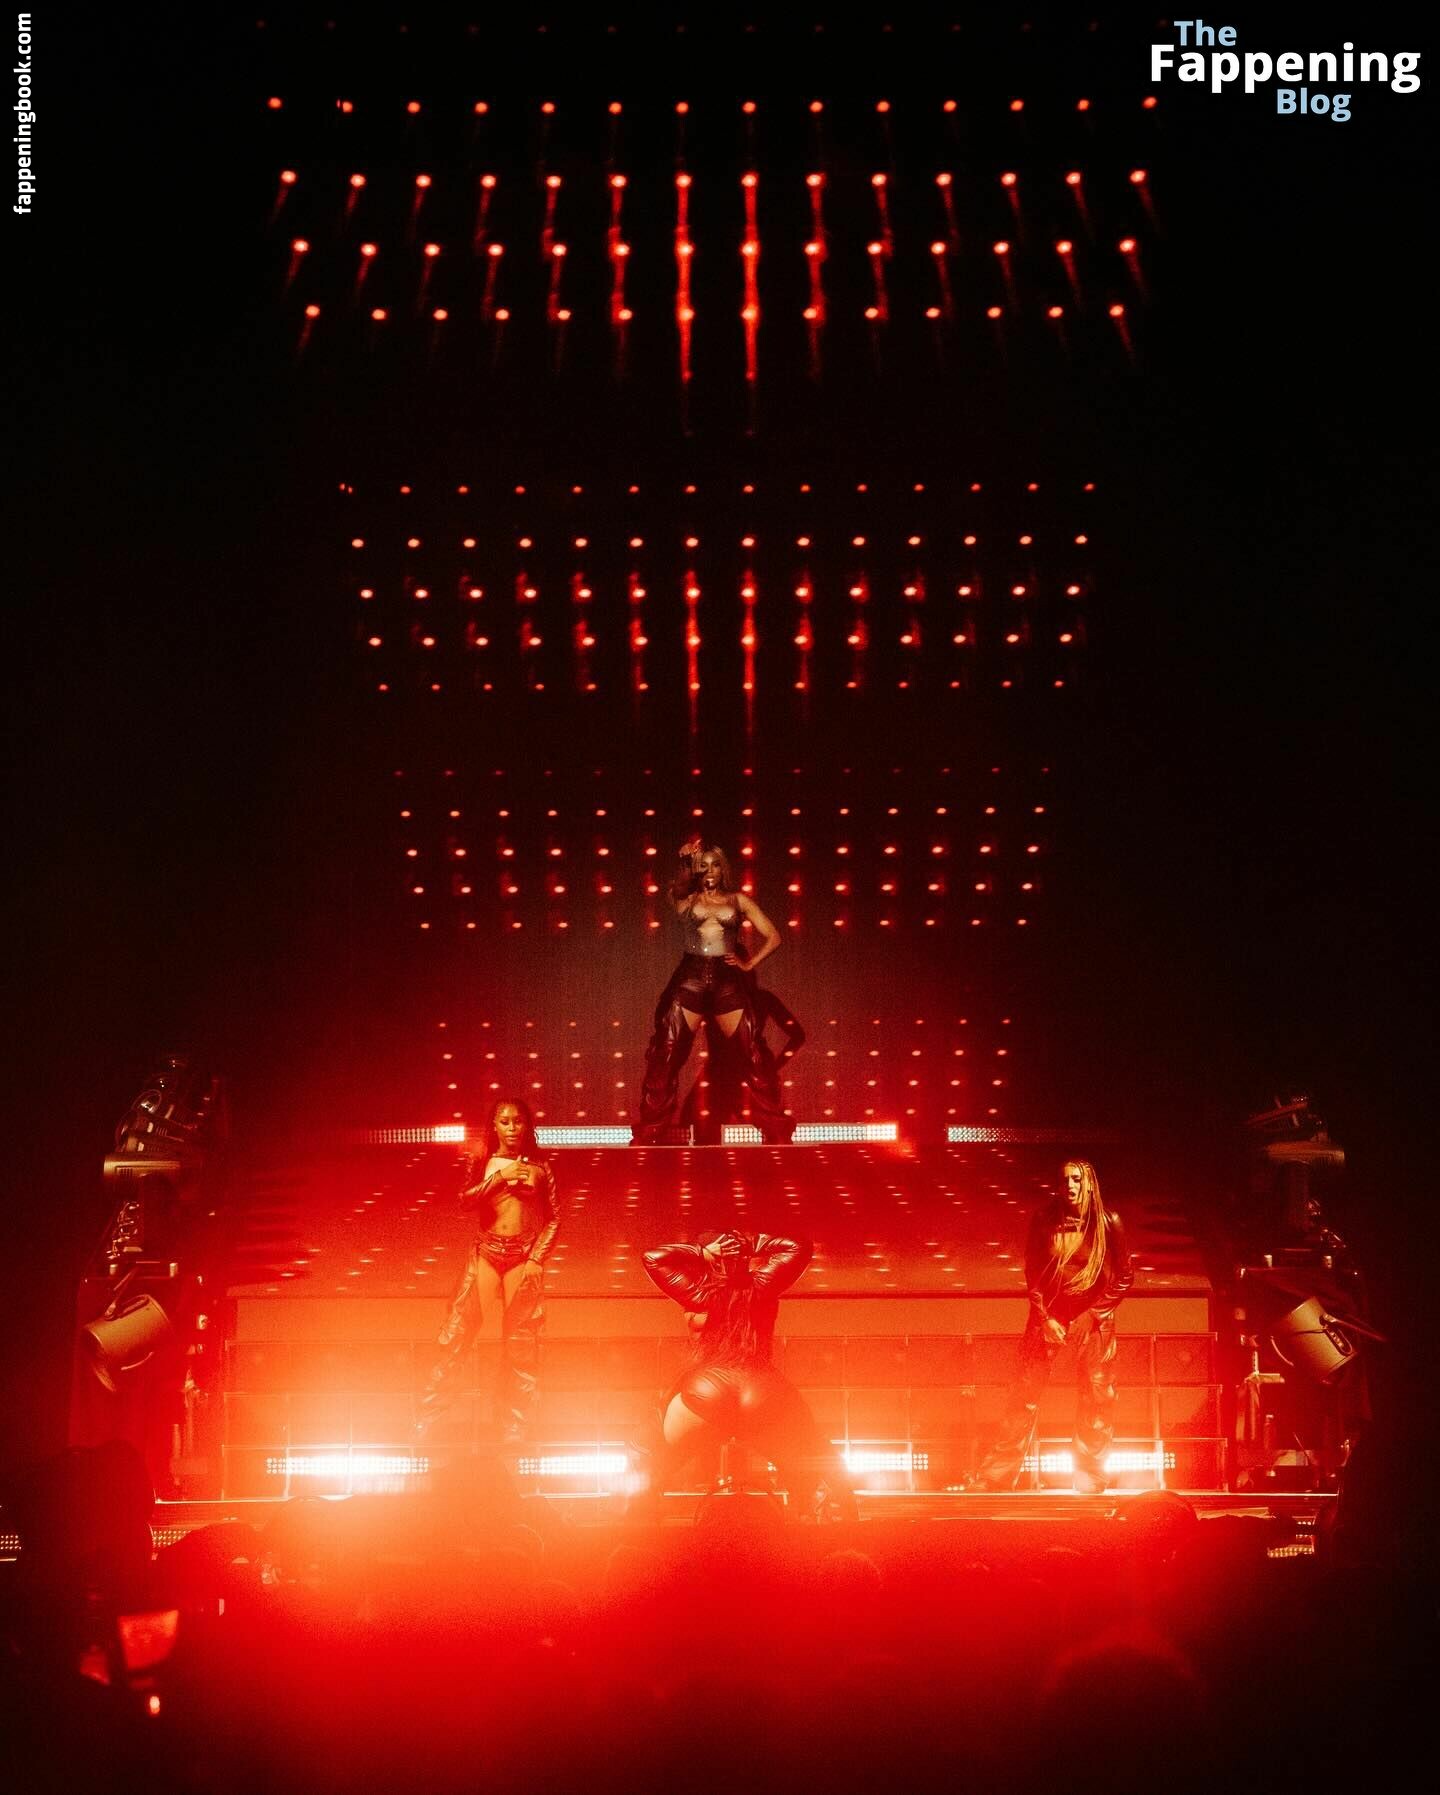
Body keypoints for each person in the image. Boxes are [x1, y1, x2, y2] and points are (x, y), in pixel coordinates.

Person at [633, 1228, 856, 1519]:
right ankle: (841, 1517)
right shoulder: (762, 1285)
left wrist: (702, 1253)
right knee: (815, 1453)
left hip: (706, 1387)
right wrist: (750, 1244)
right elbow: (798, 1247)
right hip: (760, 1387)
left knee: (647, 1454)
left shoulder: (698, 1291)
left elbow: (652, 1257)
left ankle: (635, 1522)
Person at [972, 1160, 1133, 1494]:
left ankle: (1090, 1474)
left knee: (1097, 1396)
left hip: (1094, 1319)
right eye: (1065, 1180)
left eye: (1076, 1180)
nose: (1070, 1186)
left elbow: (1125, 1275)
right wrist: (1045, 1317)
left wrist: (1094, 1314)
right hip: (1049, 1315)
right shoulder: (1045, 1220)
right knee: (1023, 1393)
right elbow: (1033, 1271)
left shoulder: (1108, 1222)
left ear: (1089, 1183)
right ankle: (997, 1475)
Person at [416, 1096, 559, 1443]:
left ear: (527, 1125)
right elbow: (464, 1201)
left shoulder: (541, 1167)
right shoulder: (482, 1161)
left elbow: (554, 1218)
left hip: (522, 1256)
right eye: (504, 1122)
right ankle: (430, 1416)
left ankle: (515, 1423)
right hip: (487, 1252)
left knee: (521, 1344)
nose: (512, 1128)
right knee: (456, 1334)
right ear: (494, 1125)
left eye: (518, 1121)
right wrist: (500, 1177)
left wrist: (537, 1258)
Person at [633, 837, 792, 1144]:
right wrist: (685, 864)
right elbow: (679, 888)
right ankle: (651, 1129)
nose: (709, 871)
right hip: (691, 977)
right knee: (667, 1052)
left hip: (725, 980)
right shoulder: (687, 899)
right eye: (703, 866)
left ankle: (775, 1129)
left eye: (715, 865)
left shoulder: (738, 901)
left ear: (723, 870)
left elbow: (774, 935)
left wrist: (749, 963)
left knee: (753, 1052)